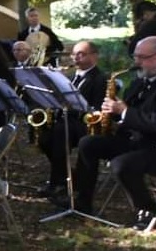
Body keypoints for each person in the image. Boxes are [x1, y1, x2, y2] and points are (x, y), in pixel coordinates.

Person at [72, 36, 156, 230]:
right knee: (88, 143)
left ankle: (148, 209)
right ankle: (82, 201)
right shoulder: (141, 81)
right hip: (137, 141)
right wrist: (111, 114)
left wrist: (123, 111)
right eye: (135, 56)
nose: (136, 62)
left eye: (142, 57)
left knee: (121, 164)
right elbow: (128, 114)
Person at [35, 40, 106, 199]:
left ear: (94, 57)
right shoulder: (72, 76)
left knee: (60, 131)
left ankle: (57, 183)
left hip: (85, 124)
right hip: (67, 120)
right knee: (43, 136)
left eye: (81, 54)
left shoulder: (100, 78)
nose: (76, 58)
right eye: (74, 54)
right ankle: (66, 175)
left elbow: (96, 108)